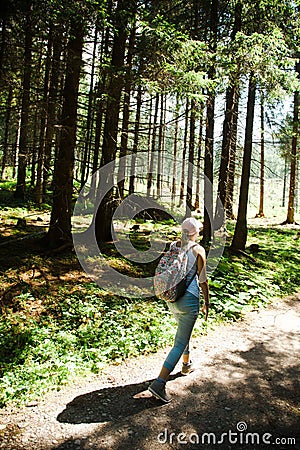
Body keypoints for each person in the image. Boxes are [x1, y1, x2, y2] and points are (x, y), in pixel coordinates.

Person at [148, 217, 210, 403]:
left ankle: (186, 364)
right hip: (189, 300)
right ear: (195, 232)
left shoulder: (174, 246)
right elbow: (203, 280)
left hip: (172, 298)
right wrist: (207, 302)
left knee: (184, 332)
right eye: (198, 229)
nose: (199, 231)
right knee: (180, 342)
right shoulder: (198, 250)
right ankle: (159, 383)